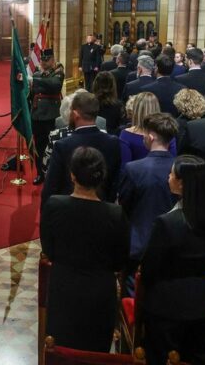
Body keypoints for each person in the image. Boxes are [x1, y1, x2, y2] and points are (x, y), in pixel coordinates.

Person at [140, 155, 205, 365]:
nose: (167, 177)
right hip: (202, 300)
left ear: (181, 183)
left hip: (166, 303)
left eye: (171, 174)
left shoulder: (168, 222)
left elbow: (149, 266)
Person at [40, 147, 129, 352]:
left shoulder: (55, 205)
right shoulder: (115, 214)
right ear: (101, 177)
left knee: (60, 351)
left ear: (72, 175)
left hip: (64, 288)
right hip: (100, 293)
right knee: (95, 351)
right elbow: (120, 261)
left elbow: (48, 249)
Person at [117, 113, 179, 294]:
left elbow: (124, 205)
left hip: (138, 244)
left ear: (151, 137)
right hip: (172, 243)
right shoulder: (180, 167)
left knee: (132, 299)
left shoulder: (134, 169)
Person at [41, 92, 121, 207]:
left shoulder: (62, 145)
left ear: (75, 114)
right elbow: (115, 183)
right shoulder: (113, 142)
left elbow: (51, 187)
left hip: (68, 212)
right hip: (102, 211)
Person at [30, 48, 64, 185]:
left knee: (52, 145)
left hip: (50, 115)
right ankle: (40, 173)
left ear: (52, 59)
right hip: (37, 114)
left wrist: (36, 81)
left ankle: (52, 173)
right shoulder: (38, 73)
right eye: (42, 60)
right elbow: (34, 91)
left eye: (47, 60)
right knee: (38, 145)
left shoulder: (58, 73)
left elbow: (55, 86)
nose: (44, 62)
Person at [119, 93, 176, 167]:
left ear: (136, 110)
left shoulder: (126, 134)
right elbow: (173, 162)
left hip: (136, 176)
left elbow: (124, 166)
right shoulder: (167, 133)